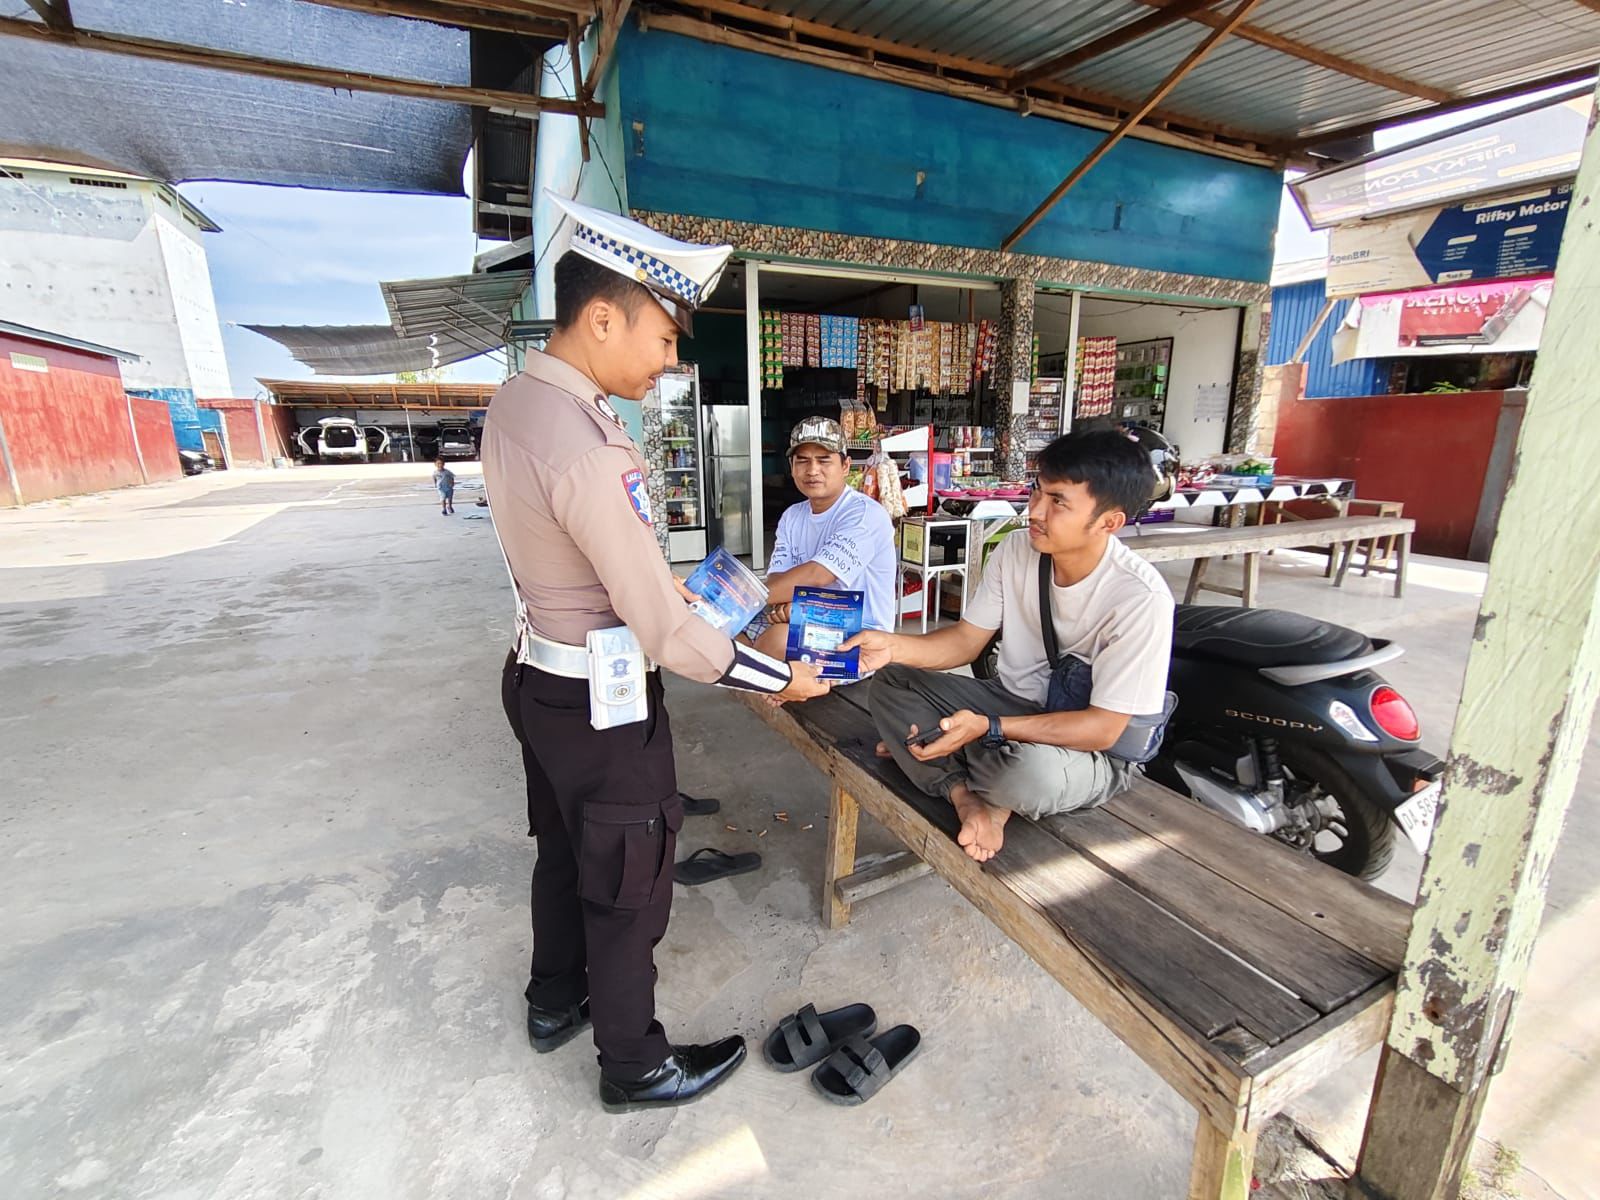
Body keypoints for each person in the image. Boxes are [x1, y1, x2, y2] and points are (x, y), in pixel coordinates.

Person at [481, 193, 829, 1114]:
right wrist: (776, 677)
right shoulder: (594, 448)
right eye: (665, 338)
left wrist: (663, 585)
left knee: (564, 852)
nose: (672, 359)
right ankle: (635, 1064)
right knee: (630, 886)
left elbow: (588, 561)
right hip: (604, 707)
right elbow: (666, 637)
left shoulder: (517, 401)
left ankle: (555, 1000)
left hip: (537, 681)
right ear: (602, 318)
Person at [845, 431, 1173, 863]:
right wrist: (891, 646)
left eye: (1058, 502)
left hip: (1087, 747)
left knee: (1024, 775)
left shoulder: (1139, 598)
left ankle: (954, 760)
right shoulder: (1018, 550)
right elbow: (965, 642)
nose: (1034, 510)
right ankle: (965, 795)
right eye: (1037, 489)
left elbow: (1102, 730)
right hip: (1009, 703)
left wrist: (987, 727)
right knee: (889, 683)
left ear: (1109, 522)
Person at [745, 416, 898, 659]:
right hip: (807, 618)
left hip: (861, 637)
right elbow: (778, 575)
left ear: (846, 466)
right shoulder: (792, 516)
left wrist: (741, 599)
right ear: (792, 468)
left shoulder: (865, 514)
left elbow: (818, 575)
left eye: (824, 460)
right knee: (729, 635)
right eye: (802, 461)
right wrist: (783, 605)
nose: (812, 470)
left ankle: (782, 691)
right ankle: (777, 691)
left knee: (776, 641)